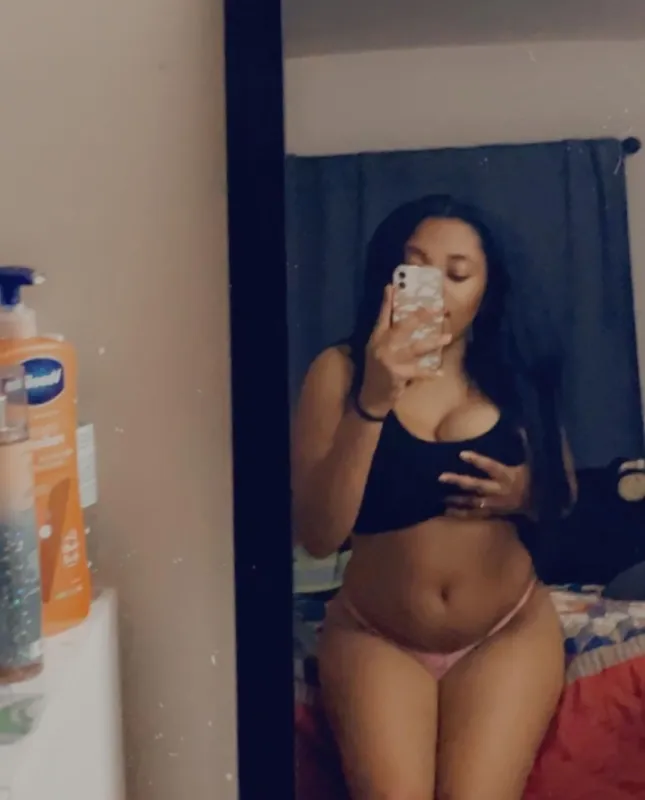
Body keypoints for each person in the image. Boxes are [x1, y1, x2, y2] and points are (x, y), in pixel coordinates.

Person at [291, 195, 577, 800]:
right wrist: (374, 400)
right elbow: (318, 536)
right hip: (376, 634)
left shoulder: (515, 370)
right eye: (416, 268)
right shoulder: (339, 371)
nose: (435, 290)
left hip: (507, 630)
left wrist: (526, 493)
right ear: (390, 277)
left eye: (458, 273)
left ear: (487, 288)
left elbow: (564, 494)